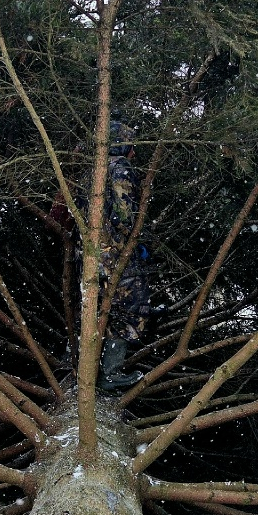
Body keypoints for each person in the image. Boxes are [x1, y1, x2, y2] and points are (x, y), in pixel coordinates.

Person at [97, 118, 151, 392]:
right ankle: (110, 373)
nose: (134, 152)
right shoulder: (120, 168)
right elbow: (123, 212)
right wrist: (131, 240)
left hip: (92, 254)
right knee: (132, 306)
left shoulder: (93, 170)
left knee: (96, 308)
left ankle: (84, 367)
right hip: (114, 252)